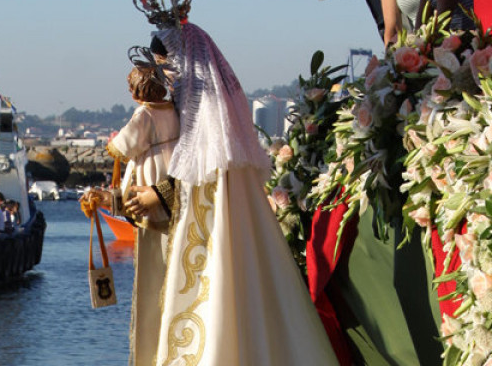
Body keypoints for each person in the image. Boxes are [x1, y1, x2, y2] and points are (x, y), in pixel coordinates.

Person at [127, 25, 338, 365]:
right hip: (212, 227)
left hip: (212, 232)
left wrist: (159, 194)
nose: (165, 79)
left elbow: (200, 179)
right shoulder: (203, 116)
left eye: (167, 67)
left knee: (220, 304)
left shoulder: (210, 119)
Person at [106, 60, 180, 366]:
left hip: (153, 188)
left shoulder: (145, 114)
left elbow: (123, 147)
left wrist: (111, 144)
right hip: (170, 175)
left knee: (157, 275)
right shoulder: (173, 111)